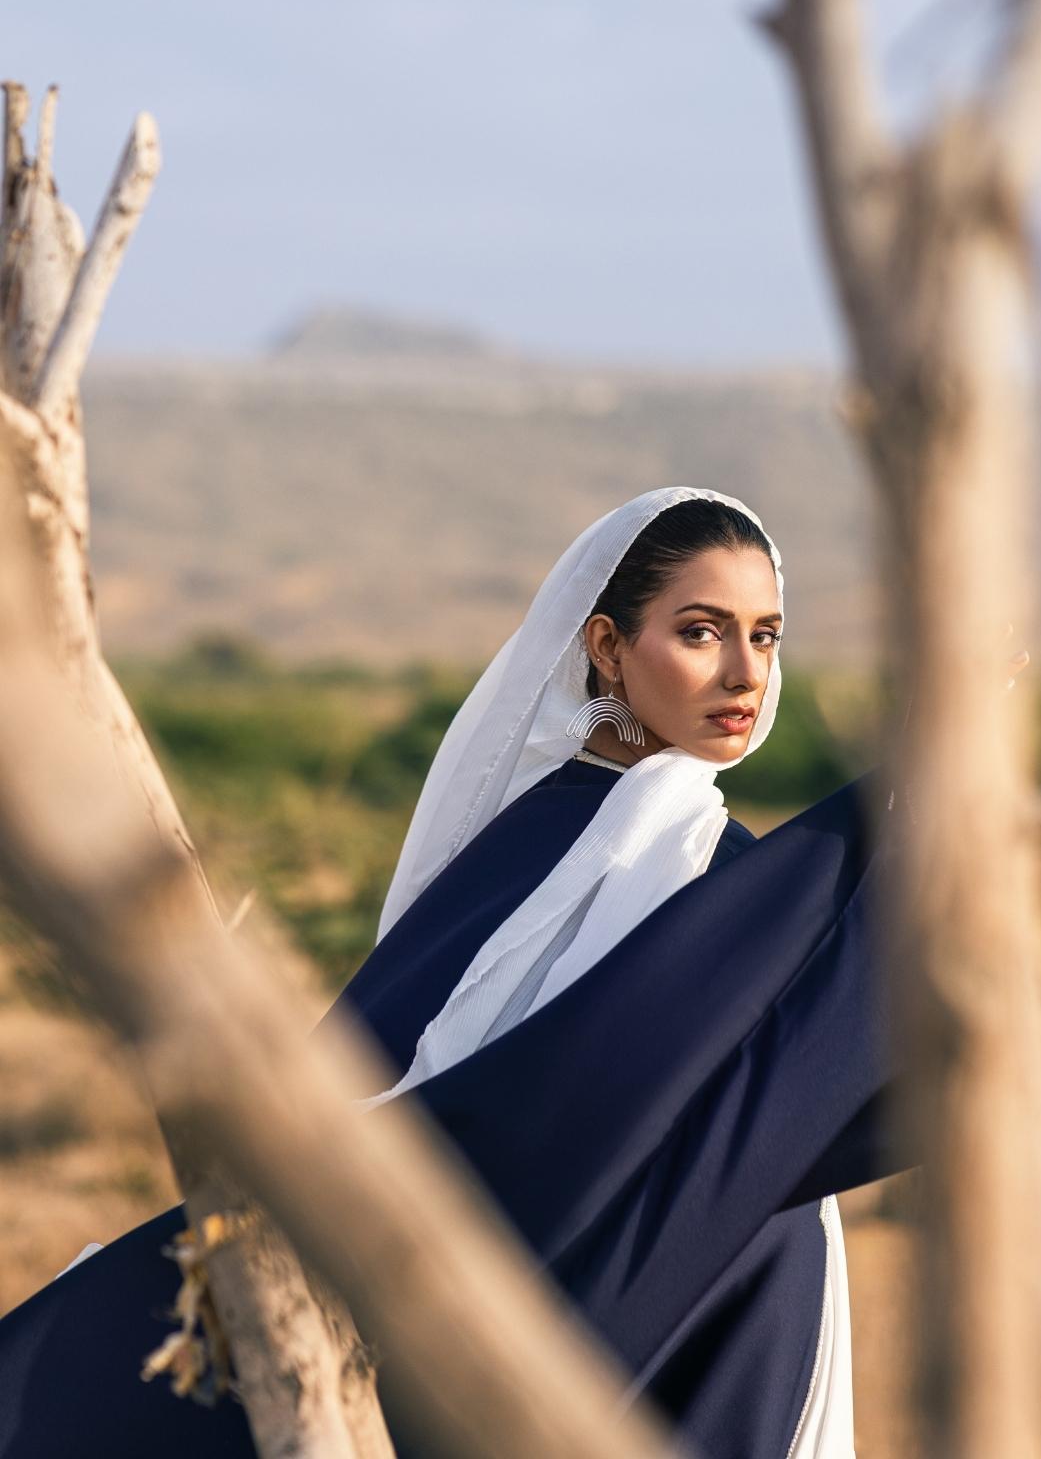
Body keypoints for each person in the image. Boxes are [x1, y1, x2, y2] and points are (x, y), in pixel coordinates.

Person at [0, 486, 922, 1459]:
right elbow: (479, 1102)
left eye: (767, 637)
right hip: (627, 1303)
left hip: (727, 1279)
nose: (745, 673)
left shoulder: (673, 854)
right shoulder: (573, 848)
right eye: (702, 632)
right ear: (606, 647)